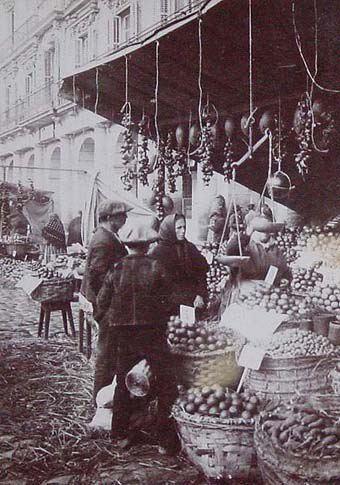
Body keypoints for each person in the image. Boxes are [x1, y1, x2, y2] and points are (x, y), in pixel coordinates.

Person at [95, 225, 177, 453]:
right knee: (165, 382)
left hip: (123, 334)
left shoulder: (116, 267)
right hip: (151, 333)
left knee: (122, 381)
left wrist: (109, 318)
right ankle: (164, 440)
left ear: (127, 246)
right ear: (149, 245)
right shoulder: (157, 266)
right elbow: (169, 302)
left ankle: (120, 434)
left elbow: (102, 300)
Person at [81, 199, 131, 399]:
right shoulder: (103, 240)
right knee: (107, 352)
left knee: (110, 351)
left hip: (108, 302)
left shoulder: (109, 235)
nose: (125, 218)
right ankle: (99, 397)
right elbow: (97, 277)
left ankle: (105, 395)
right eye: (122, 215)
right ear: (110, 218)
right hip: (106, 304)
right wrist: (105, 307)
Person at [150, 213, 209, 315]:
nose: (183, 231)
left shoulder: (189, 248)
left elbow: (201, 272)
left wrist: (200, 294)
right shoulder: (157, 252)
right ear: (170, 229)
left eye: (184, 227)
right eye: (179, 228)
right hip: (168, 306)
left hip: (192, 301)